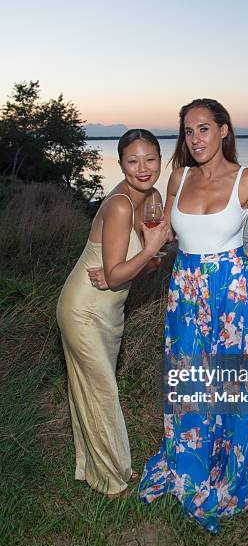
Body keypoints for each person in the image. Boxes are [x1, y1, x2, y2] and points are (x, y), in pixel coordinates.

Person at [139, 98, 248, 533]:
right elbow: (163, 237)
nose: (195, 139)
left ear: (223, 131)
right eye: (188, 131)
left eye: (203, 129)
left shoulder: (247, 180)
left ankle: (237, 473)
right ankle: (193, 466)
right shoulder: (177, 178)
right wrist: (143, 250)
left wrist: (239, 261)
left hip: (231, 296)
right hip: (184, 293)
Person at [57, 129, 169, 496]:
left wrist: (149, 256)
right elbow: (118, 271)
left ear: (160, 160)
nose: (143, 168)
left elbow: (134, 267)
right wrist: (148, 248)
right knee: (102, 389)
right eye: (132, 161)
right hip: (85, 308)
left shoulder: (152, 198)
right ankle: (112, 479)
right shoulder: (121, 204)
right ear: (120, 164)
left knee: (92, 389)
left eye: (150, 159)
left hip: (111, 309)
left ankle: (94, 466)